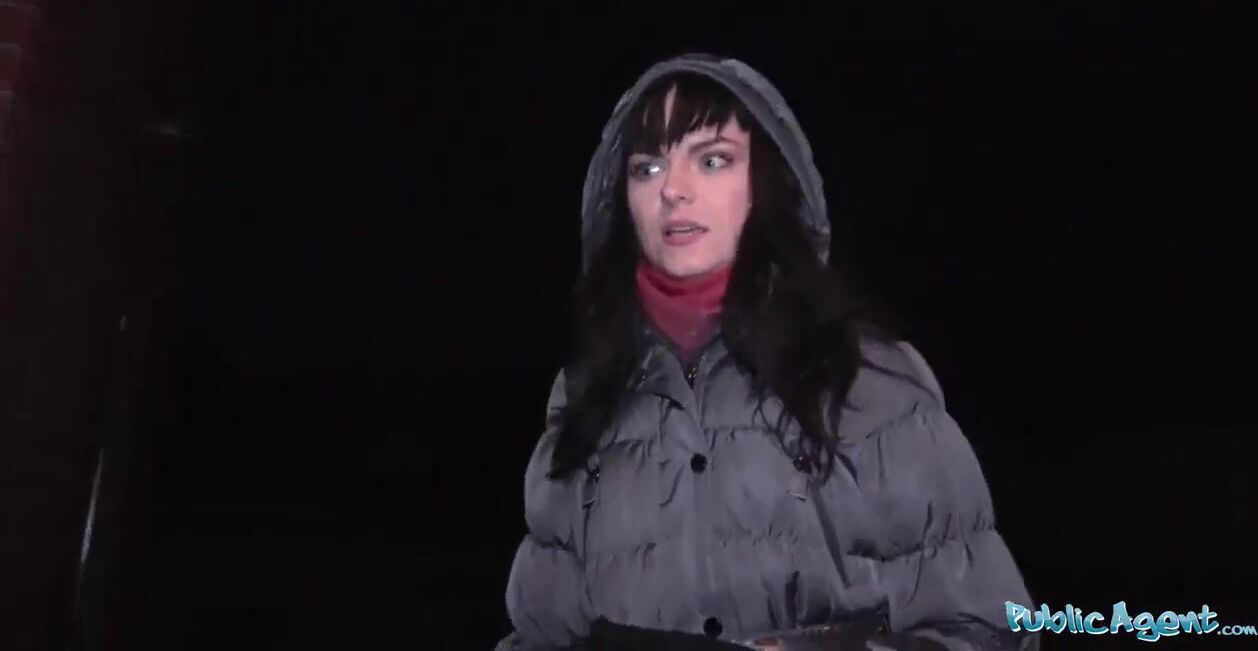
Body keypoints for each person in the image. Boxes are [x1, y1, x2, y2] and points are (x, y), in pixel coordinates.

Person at [495, 53, 1039, 651]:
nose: (673, 190)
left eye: (712, 159)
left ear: (766, 183)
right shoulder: (584, 398)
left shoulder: (871, 383)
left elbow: (990, 627)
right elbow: (538, 636)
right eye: (647, 168)